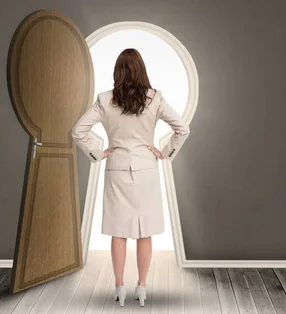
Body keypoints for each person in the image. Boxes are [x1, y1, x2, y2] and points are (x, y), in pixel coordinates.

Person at [71, 48, 190, 307]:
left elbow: (78, 130)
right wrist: (165, 152)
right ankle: (142, 287)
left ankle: (119, 287)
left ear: (117, 71)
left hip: (117, 168)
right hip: (146, 169)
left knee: (118, 232)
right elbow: (183, 128)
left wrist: (97, 152)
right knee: (144, 232)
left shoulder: (105, 99)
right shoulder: (154, 98)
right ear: (141, 70)